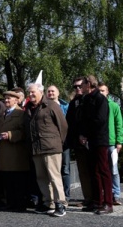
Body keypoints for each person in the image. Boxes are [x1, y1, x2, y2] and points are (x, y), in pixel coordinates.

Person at [25, 83, 68, 217]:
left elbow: (63, 126)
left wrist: (58, 142)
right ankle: (48, 203)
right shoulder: (28, 108)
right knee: (41, 177)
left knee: (54, 176)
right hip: (36, 148)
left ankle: (60, 204)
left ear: (40, 92)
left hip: (51, 147)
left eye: (33, 92)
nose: (31, 94)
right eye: (29, 92)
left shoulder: (51, 105)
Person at [78, 75, 113, 215]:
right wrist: (82, 133)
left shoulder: (100, 99)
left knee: (103, 171)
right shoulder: (86, 99)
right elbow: (83, 119)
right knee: (93, 171)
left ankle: (108, 203)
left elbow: (100, 120)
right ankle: (97, 201)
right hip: (90, 140)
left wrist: (87, 132)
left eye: (83, 84)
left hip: (100, 140)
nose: (80, 87)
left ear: (89, 84)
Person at [0, 91, 29, 212]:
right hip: (3, 151)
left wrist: (10, 135)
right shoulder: (3, 114)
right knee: (7, 180)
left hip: (16, 153)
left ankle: (19, 204)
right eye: (5, 99)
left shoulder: (21, 113)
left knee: (17, 181)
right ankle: (10, 202)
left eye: (9, 99)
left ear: (16, 100)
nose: (6, 101)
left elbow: (25, 132)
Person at [66, 76, 93, 208]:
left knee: (94, 171)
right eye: (75, 86)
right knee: (82, 171)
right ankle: (88, 197)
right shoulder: (73, 102)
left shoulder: (91, 100)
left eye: (79, 86)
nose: (77, 88)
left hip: (91, 141)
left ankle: (98, 198)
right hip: (78, 143)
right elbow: (70, 122)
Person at [98, 83, 123, 206]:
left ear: (107, 92)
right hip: (99, 143)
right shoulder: (95, 106)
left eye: (103, 90)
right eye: (99, 91)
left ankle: (116, 195)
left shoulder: (113, 106)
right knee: (102, 170)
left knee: (113, 170)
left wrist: (119, 141)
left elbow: (119, 124)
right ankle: (104, 194)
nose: (101, 92)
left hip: (111, 143)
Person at [46, 85, 71, 202]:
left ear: (58, 93)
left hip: (64, 142)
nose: (51, 93)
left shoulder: (66, 106)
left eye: (53, 91)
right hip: (50, 143)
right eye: (49, 91)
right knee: (51, 170)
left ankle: (66, 195)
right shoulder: (43, 106)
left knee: (65, 169)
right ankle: (53, 197)